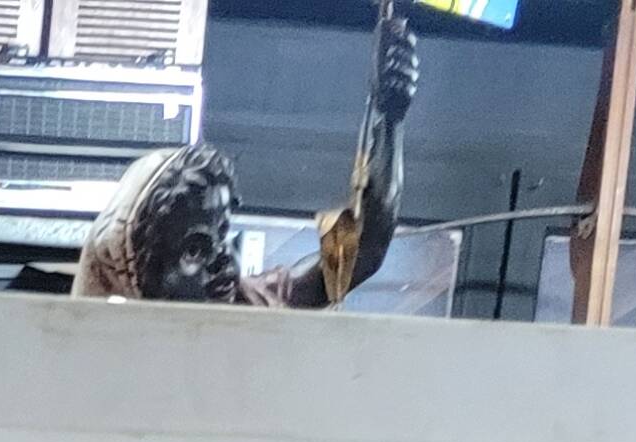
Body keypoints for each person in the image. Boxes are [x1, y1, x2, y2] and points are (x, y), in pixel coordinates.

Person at [73, 5, 421, 305]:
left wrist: (387, 116)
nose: (225, 262)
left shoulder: (253, 301)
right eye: (194, 250)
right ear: (133, 274)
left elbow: (362, 249)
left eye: (223, 235)